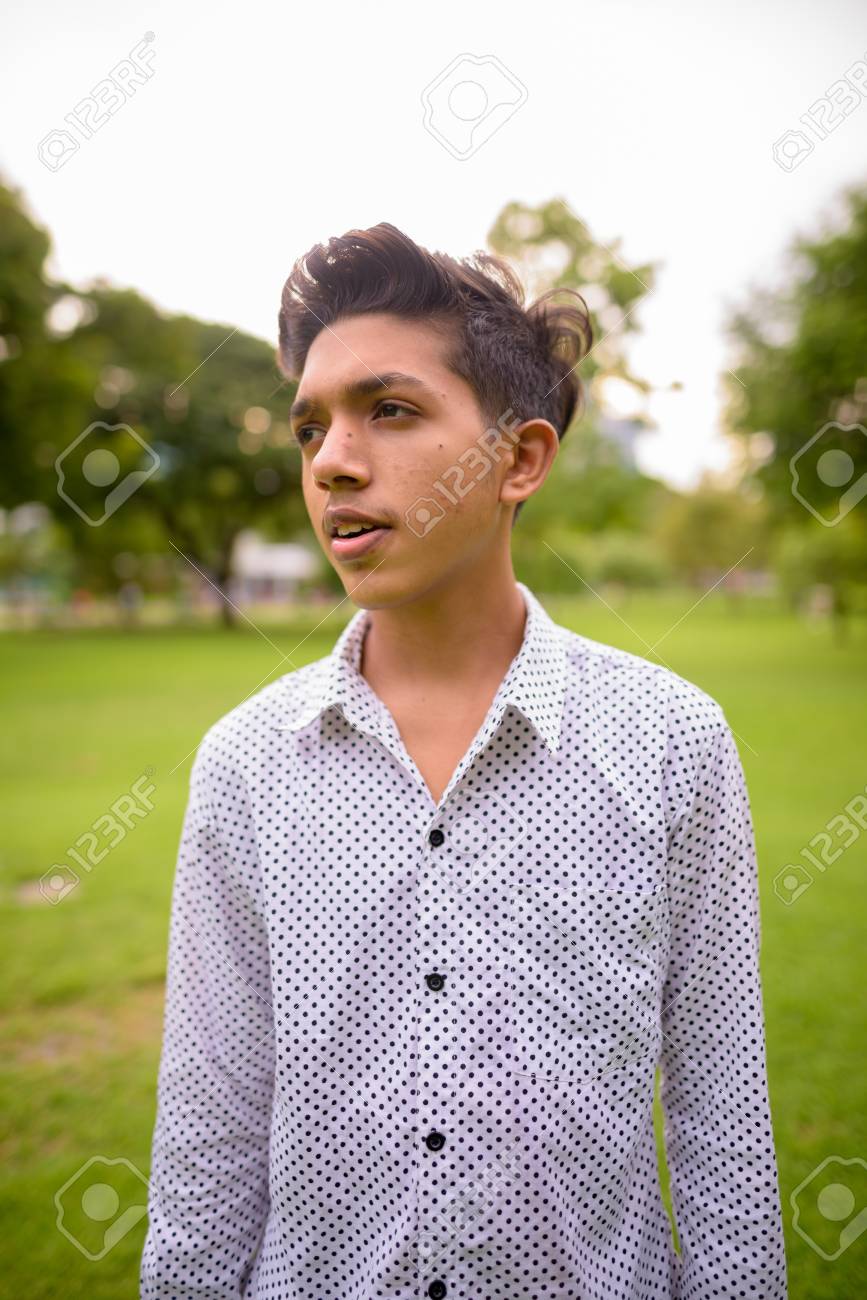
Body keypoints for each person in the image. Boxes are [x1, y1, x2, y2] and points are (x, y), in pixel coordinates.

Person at [140, 222, 788, 1299]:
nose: (333, 462)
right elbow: (210, 1135)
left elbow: (723, 1117)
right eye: (310, 429)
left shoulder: (674, 742)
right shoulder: (245, 766)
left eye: (388, 410)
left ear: (520, 458)